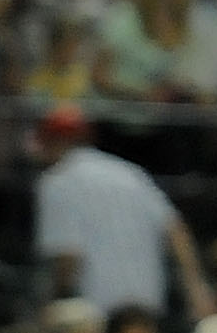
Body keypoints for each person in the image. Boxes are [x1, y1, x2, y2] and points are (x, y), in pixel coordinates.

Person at [30, 105, 207, 319]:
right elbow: (175, 230)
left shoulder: (57, 181)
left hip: (94, 309)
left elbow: (68, 258)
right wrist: (196, 288)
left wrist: (53, 304)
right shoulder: (128, 172)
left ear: (51, 141)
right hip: (147, 300)